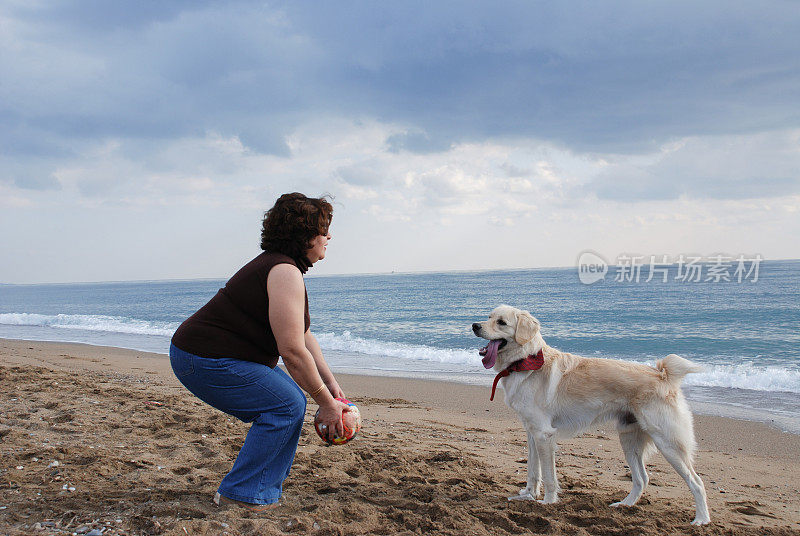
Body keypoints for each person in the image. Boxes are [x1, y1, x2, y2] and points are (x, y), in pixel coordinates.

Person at [169, 192, 350, 511]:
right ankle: (242, 494)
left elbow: (304, 336)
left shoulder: (285, 268)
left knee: (288, 403)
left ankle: (257, 492)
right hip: (202, 358)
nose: (329, 236)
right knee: (287, 405)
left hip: (206, 355)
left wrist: (331, 387)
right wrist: (326, 404)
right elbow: (292, 352)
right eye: (323, 230)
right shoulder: (283, 271)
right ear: (305, 235)